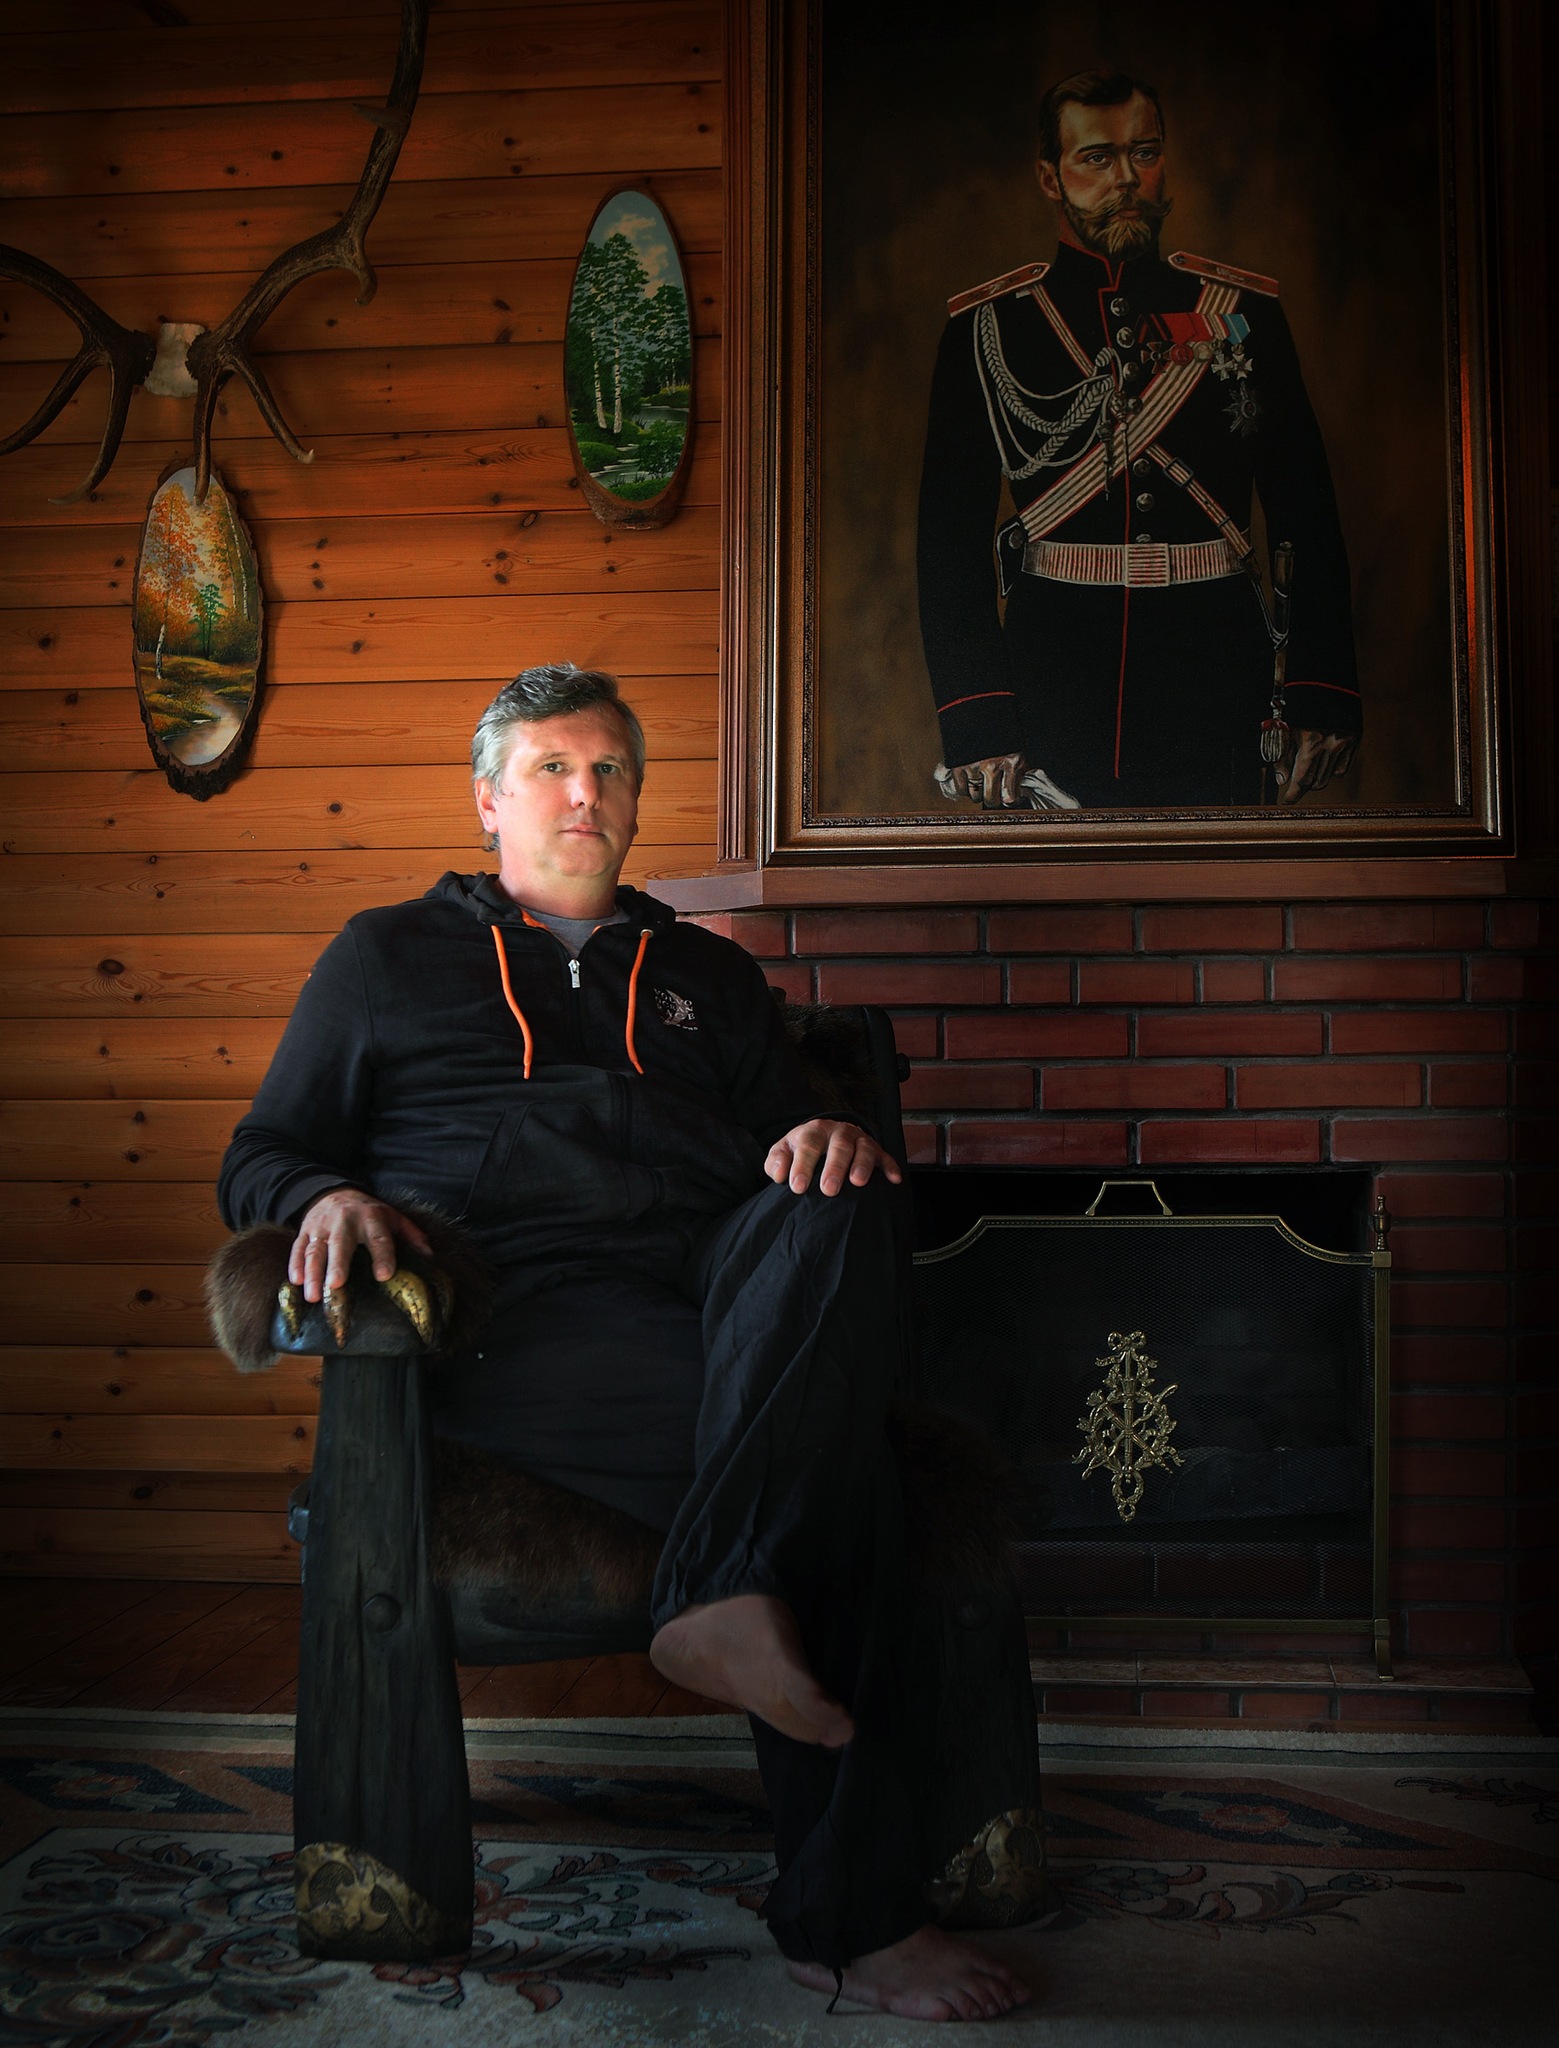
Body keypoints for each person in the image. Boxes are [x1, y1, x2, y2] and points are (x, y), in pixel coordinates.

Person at [217, 662, 1035, 2023]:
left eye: (608, 770)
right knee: (846, 1481)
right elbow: (264, 1150)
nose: (583, 793)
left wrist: (824, 1135)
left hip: (709, 1303)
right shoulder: (382, 956)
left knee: (840, 1203)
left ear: (637, 800)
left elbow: (780, 1157)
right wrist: (325, 1196)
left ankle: (720, 1596)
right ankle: (856, 1920)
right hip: (504, 1317)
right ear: (489, 800)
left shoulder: (710, 975)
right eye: (550, 767)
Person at [918, 68, 1361, 811]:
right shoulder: (989, 330)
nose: (1125, 179)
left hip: (1216, 679)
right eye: (1096, 158)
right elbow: (947, 544)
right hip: (1053, 689)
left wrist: (1321, 690)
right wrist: (978, 717)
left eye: (1143, 153)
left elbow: (1305, 511)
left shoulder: (1240, 315)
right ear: (1050, 177)